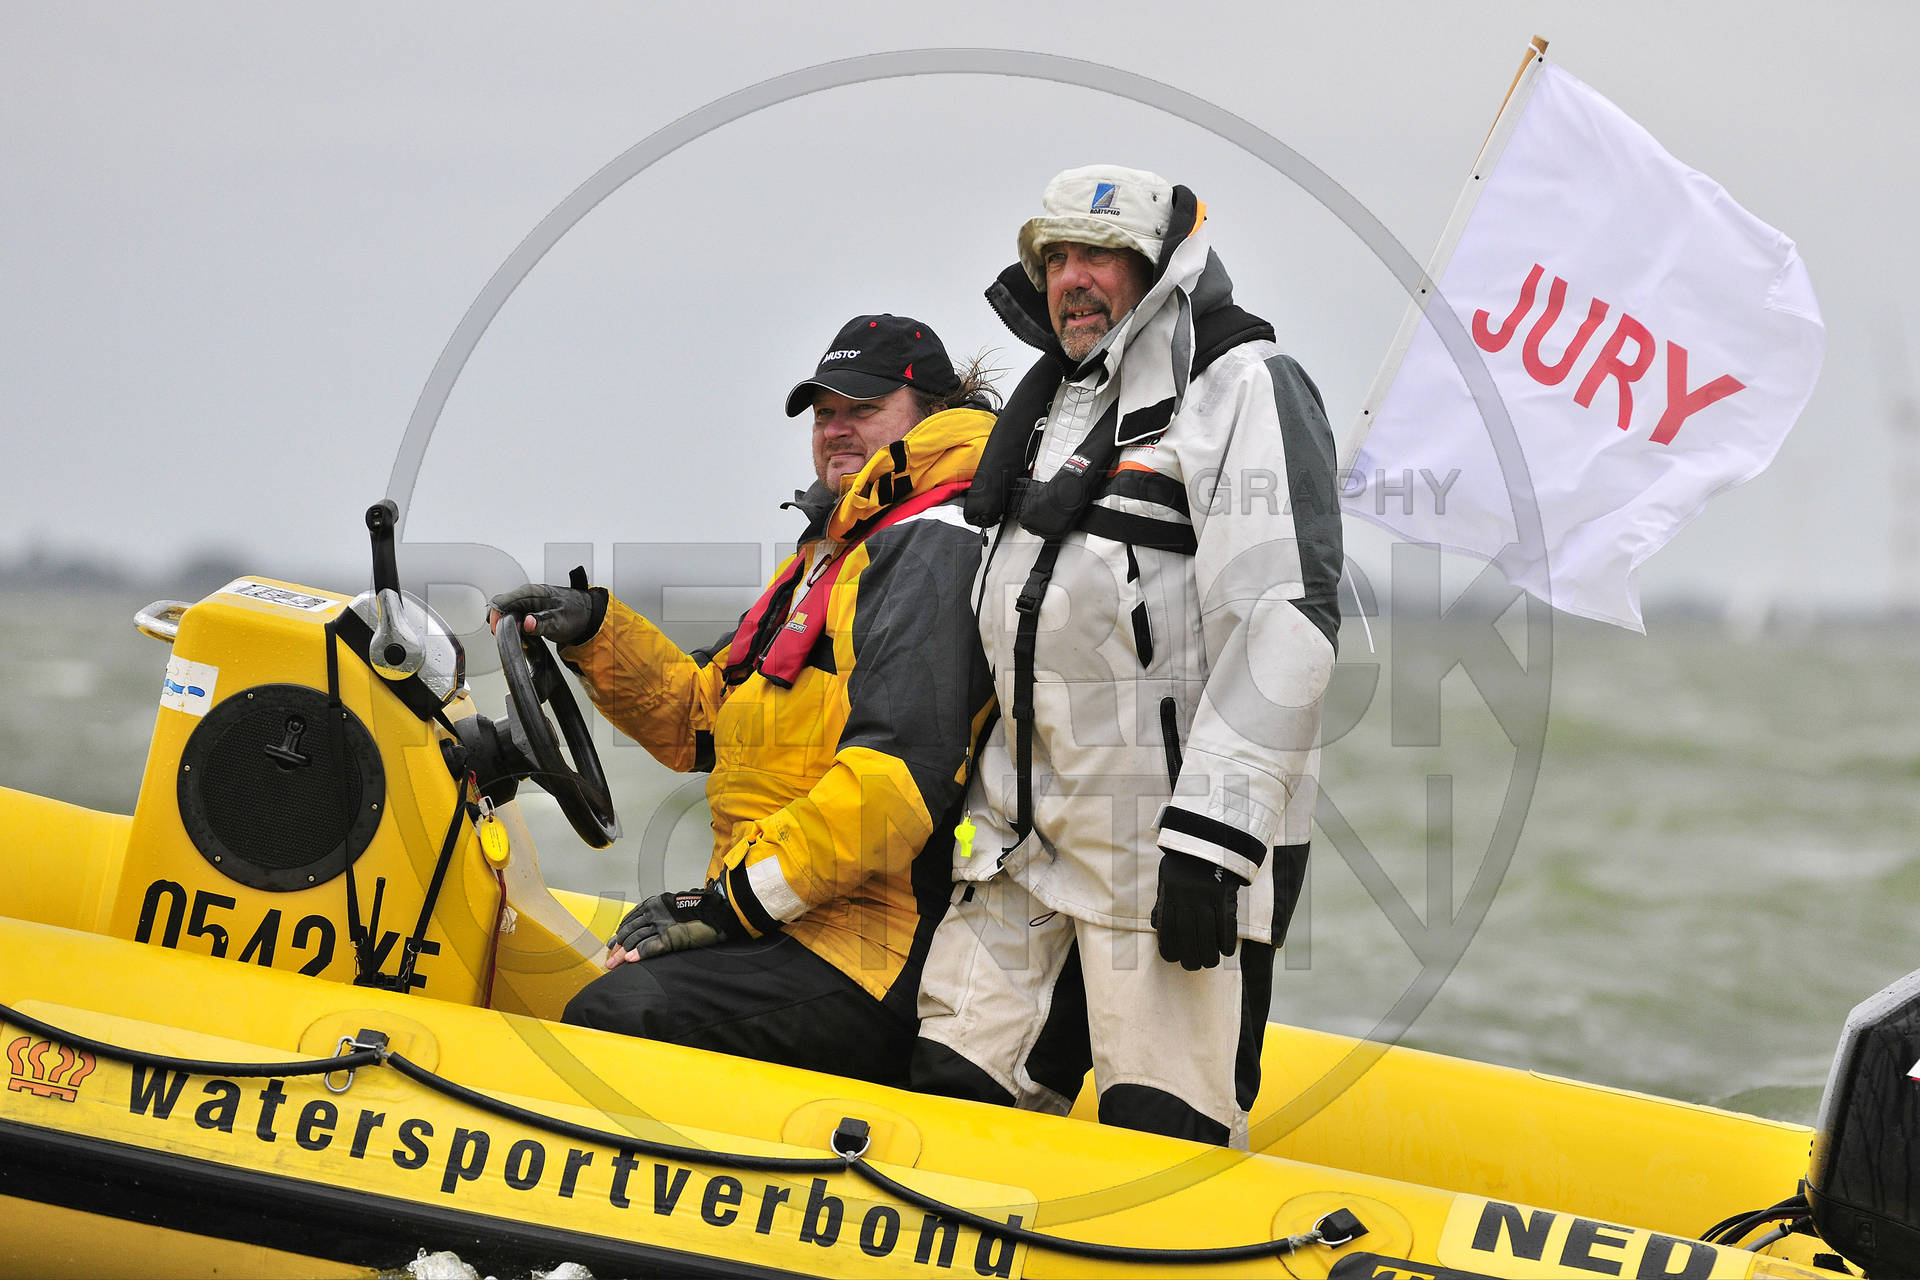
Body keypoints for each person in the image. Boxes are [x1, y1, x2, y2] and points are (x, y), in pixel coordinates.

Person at [909, 166, 1343, 1147]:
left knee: (1162, 1138)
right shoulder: (1051, 405)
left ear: (1158, 268)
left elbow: (1284, 622)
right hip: (1016, 847)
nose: (1072, 278)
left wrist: (1213, 841)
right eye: (1056, 256)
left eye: (1099, 255)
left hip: (1164, 859)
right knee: (943, 1097)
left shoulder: (1244, 386)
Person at [491, 314, 997, 1087]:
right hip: (788, 921)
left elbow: (895, 788)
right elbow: (702, 722)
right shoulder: (829, 557)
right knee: (606, 981)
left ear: (933, 413)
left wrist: (725, 905)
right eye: (823, 414)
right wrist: (595, 631)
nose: (836, 430)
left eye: (863, 409)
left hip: (868, 952)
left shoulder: (934, 546)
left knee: (615, 1017)